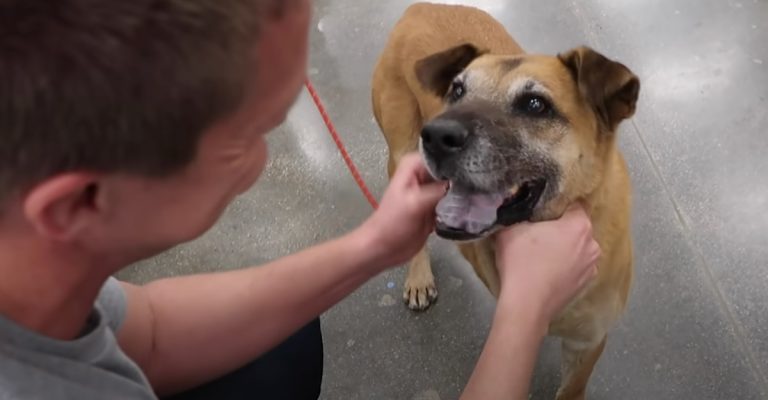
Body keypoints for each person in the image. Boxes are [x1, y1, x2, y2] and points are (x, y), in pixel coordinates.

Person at [0, 0, 600, 399]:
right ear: (77, 204)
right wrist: (524, 309)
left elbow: (147, 332)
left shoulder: (31, 279)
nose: (264, 160)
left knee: (283, 345)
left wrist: (373, 245)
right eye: (247, 136)